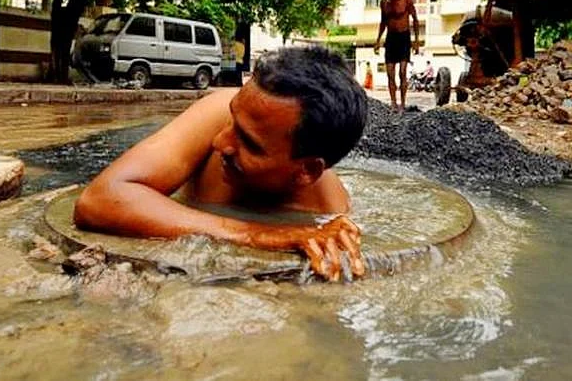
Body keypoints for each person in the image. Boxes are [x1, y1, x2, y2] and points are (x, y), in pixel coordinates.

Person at [73, 47, 369, 281]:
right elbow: (98, 199)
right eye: (232, 119)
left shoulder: (327, 212)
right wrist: (255, 234)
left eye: (250, 144)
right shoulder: (215, 112)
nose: (219, 143)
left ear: (306, 171)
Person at [374, 0, 420, 112]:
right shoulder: (384, 3)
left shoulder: (406, 1)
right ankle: (393, 103)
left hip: (404, 37)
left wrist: (416, 41)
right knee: (390, 73)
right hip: (391, 38)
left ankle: (403, 103)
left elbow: (415, 20)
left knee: (402, 72)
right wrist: (377, 41)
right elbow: (383, 22)